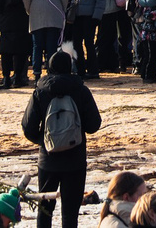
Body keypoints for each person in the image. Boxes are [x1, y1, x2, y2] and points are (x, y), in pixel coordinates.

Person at [20, 46, 101, 228]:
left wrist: (44, 141)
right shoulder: (81, 90)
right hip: (75, 159)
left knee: (45, 210)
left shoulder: (40, 91)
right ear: (69, 66)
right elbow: (94, 125)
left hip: (48, 159)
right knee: (70, 214)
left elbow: (27, 127)